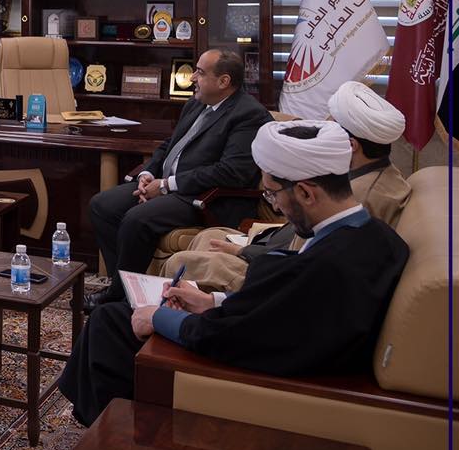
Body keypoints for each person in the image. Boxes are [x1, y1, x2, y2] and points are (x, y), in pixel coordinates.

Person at [58, 121, 409, 427]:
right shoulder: (380, 238)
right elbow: (277, 313)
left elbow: (229, 338)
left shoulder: (323, 267)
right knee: (112, 318)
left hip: (258, 381)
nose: (275, 206)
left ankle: (109, 444)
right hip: (273, 348)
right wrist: (213, 301)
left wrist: (158, 317)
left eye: (272, 194)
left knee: (110, 323)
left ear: (305, 191)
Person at [161, 80, 412, 292]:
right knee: (207, 237)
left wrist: (244, 252)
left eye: (331, 129)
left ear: (350, 145)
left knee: (180, 263)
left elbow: (307, 261)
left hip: (279, 272)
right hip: (276, 246)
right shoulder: (367, 173)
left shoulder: (360, 197)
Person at [87, 49, 271, 308]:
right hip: (170, 186)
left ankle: (120, 298)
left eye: (200, 73)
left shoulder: (249, 114)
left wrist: (166, 185)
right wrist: (148, 173)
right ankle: (129, 286)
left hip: (206, 197)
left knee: (137, 219)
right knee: (102, 205)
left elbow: (231, 172)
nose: (192, 77)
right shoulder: (196, 103)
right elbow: (169, 144)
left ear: (224, 81)